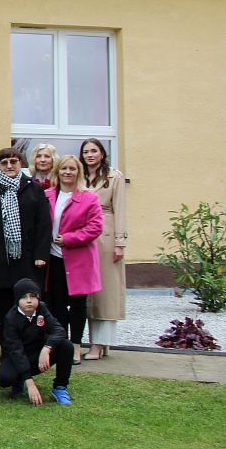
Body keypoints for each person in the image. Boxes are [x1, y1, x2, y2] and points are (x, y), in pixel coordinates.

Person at [0, 147, 52, 346]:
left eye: (14, 161)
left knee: (27, 303)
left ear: (20, 163)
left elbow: (43, 224)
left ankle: (28, 347)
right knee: (0, 307)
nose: (9, 166)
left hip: (26, 259)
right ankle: (7, 347)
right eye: (4, 163)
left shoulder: (34, 189)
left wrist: (41, 254)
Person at [46, 154, 103, 366]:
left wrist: (69, 239)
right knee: (58, 304)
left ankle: (76, 347)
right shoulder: (47, 195)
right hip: (54, 259)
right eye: (63, 169)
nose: (67, 172)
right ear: (57, 172)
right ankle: (62, 346)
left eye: (72, 169)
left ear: (78, 172)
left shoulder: (89, 197)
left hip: (78, 259)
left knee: (78, 305)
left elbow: (95, 227)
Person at [80, 138, 125, 360]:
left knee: (105, 293)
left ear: (102, 154)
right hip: (83, 237)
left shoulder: (114, 177)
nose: (90, 155)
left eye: (94, 151)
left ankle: (99, 343)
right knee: (88, 292)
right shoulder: (80, 177)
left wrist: (120, 242)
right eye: (86, 151)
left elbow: (120, 210)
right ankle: (91, 341)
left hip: (106, 237)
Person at [0, 279, 75, 405]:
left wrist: (47, 348)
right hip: (17, 357)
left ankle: (59, 388)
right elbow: (15, 350)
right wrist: (29, 382)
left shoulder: (42, 309)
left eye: (32, 296)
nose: (29, 300)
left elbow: (59, 330)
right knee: (4, 378)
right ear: (17, 300)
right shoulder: (10, 319)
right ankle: (18, 382)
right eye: (24, 297)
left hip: (38, 355)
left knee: (67, 346)